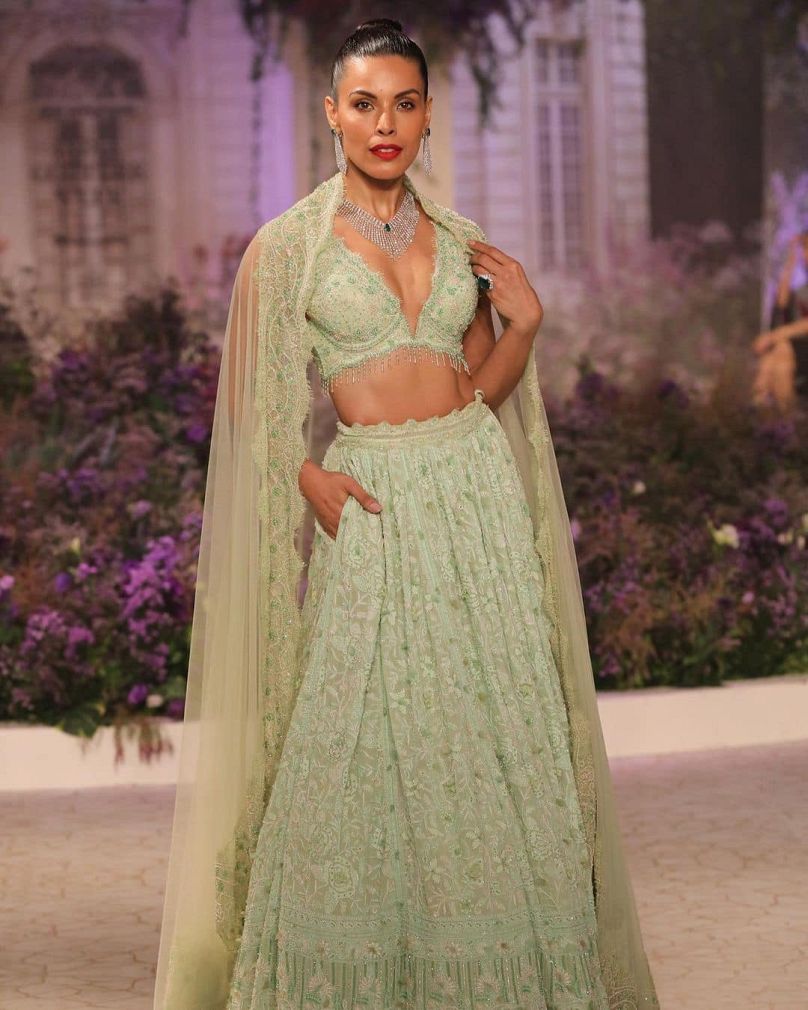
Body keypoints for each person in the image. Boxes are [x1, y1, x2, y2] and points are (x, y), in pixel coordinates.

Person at [152, 18, 660, 1010]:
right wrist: (306, 478)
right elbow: (243, 408)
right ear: (332, 113)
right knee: (355, 743)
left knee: (494, 734)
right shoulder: (286, 249)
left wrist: (525, 327)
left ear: (427, 117)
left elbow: (474, 390)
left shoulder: (462, 242)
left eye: (404, 103)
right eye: (365, 103)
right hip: (374, 504)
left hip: (474, 498)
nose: (384, 124)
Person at [752, 229, 808, 410]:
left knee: (781, 349)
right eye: (804, 249)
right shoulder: (802, 290)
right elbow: (781, 303)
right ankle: (770, 413)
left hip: (800, 346)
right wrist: (790, 261)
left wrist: (773, 336)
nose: (805, 255)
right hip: (797, 346)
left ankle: (783, 416)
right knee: (772, 359)